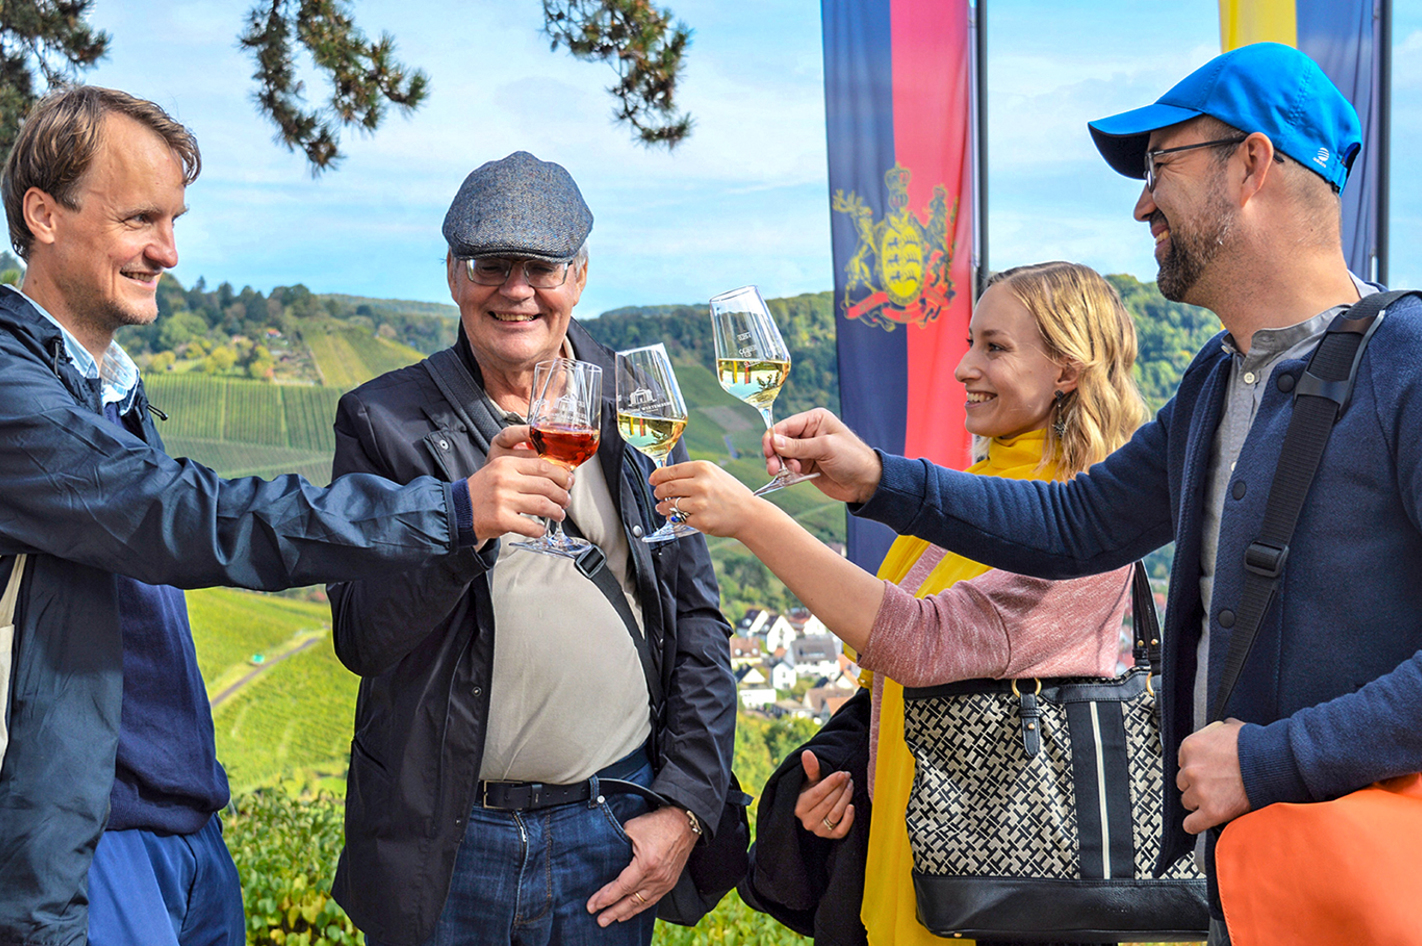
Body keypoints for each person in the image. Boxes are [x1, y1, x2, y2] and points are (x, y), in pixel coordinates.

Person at [758, 43, 1422, 945]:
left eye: (1162, 165)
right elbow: (1077, 525)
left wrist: (1273, 761)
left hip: (1377, 888)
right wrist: (879, 478)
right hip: (1255, 890)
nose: (1142, 201)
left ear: (1254, 164)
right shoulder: (1214, 383)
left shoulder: (1407, 363)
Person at [0, 88, 569, 946]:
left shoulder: (105, 385)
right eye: (139, 220)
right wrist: (446, 512)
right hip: (92, 843)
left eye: (174, 220)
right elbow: (185, 519)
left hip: (186, 827)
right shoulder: (13, 394)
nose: (168, 251)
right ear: (43, 213)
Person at [652, 261, 1148, 945]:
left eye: (995, 348)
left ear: (1067, 369)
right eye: (970, 341)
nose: (963, 367)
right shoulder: (982, 486)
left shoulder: (1083, 521)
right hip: (907, 856)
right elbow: (894, 685)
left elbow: (917, 641)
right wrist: (847, 777)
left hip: (1009, 893)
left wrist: (750, 519)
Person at [325, 150, 736, 946]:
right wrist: (463, 526)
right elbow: (362, 635)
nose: (517, 289)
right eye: (491, 264)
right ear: (453, 275)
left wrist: (683, 804)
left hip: (610, 830)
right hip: (446, 842)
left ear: (579, 277)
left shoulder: (636, 404)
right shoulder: (383, 423)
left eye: (542, 266)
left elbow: (698, 623)